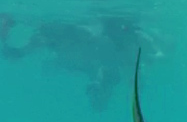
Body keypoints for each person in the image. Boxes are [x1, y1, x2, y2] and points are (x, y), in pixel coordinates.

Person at [0, 13, 158, 111]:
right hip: (76, 37)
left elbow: (35, 47)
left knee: (35, 43)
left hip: (67, 39)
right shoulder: (111, 65)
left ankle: (7, 25)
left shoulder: (91, 66)